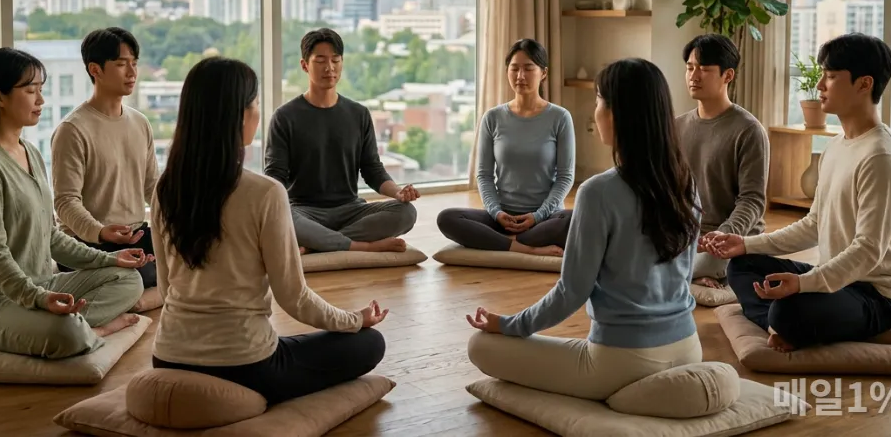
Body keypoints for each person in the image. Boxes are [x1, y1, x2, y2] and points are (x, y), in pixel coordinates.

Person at [150, 57, 388, 405]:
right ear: (239, 116)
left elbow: (165, 284)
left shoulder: (165, 188)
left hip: (167, 356)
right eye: (255, 103)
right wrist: (355, 319)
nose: (258, 113)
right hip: (244, 364)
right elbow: (294, 298)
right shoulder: (264, 192)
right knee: (370, 343)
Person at [463, 59, 703, 401]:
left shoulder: (598, 191)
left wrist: (508, 325)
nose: (595, 112)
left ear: (618, 113)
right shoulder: (686, 182)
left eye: (599, 101)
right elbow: (687, 269)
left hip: (622, 361)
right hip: (687, 348)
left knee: (481, 345)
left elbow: (571, 292)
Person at [706, 34, 891, 352]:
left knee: (790, 308)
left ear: (864, 83)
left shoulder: (881, 157)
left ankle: (780, 322)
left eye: (830, 77)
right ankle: (780, 326)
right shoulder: (837, 144)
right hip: (833, 278)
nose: (820, 86)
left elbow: (868, 250)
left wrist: (802, 285)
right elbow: (814, 224)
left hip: (875, 295)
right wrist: (745, 243)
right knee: (743, 265)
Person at [0, 47, 150, 360]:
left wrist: (109, 260)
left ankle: (75, 326)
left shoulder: (31, 153)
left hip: (42, 282)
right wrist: (38, 299)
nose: (40, 100)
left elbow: (51, 236)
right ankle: (95, 331)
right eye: (30, 90)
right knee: (64, 333)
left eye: (41, 90)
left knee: (128, 280)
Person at [264, 28, 419, 254]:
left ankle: (317, 244)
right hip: (305, 212)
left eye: (335, 60)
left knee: (406, 213)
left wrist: (398, 192)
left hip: (350, 210)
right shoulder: (285, 117)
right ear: (304, 65)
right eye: (320, 61)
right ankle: (361, 246)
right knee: (280, 217)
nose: (330, 68)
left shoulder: (359, 114)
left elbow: (372, 170)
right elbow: (275, 176)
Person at [438, 39, 574, 256]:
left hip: (545, 219)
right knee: (447, 218)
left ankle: (500, 243)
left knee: (576, 218)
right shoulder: (492, 117)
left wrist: (537, 216)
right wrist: (496, 212)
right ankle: (524, 246)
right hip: (502, 218)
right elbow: (483, 175)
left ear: (544, 73)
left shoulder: (560, 117)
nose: (520, 76)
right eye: (514, 69)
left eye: (528, 69)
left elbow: (565, 177)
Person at [52, 28, 159, 294]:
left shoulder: (140, 123)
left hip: (136, 235)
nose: (132, 72)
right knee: (137, 278)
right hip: (87, 243)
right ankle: (141, 295)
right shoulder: (72, 129)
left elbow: (152, 187)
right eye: (122, 64)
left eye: (134, 63)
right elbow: (65, 202)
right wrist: (100, 232)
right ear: (95, 70)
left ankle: (141, 298)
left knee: (195, 260)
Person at [676, 34, 768, 288]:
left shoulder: (749, 130)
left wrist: (722, 235)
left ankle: (701, 272)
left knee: (690, 263)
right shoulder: (677, 126)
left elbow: (752, 200)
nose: (694, 76)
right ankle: (693, 273)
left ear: (728, 76)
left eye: (704, 69)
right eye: (690, 68)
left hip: (730, 238)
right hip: (687, 235)